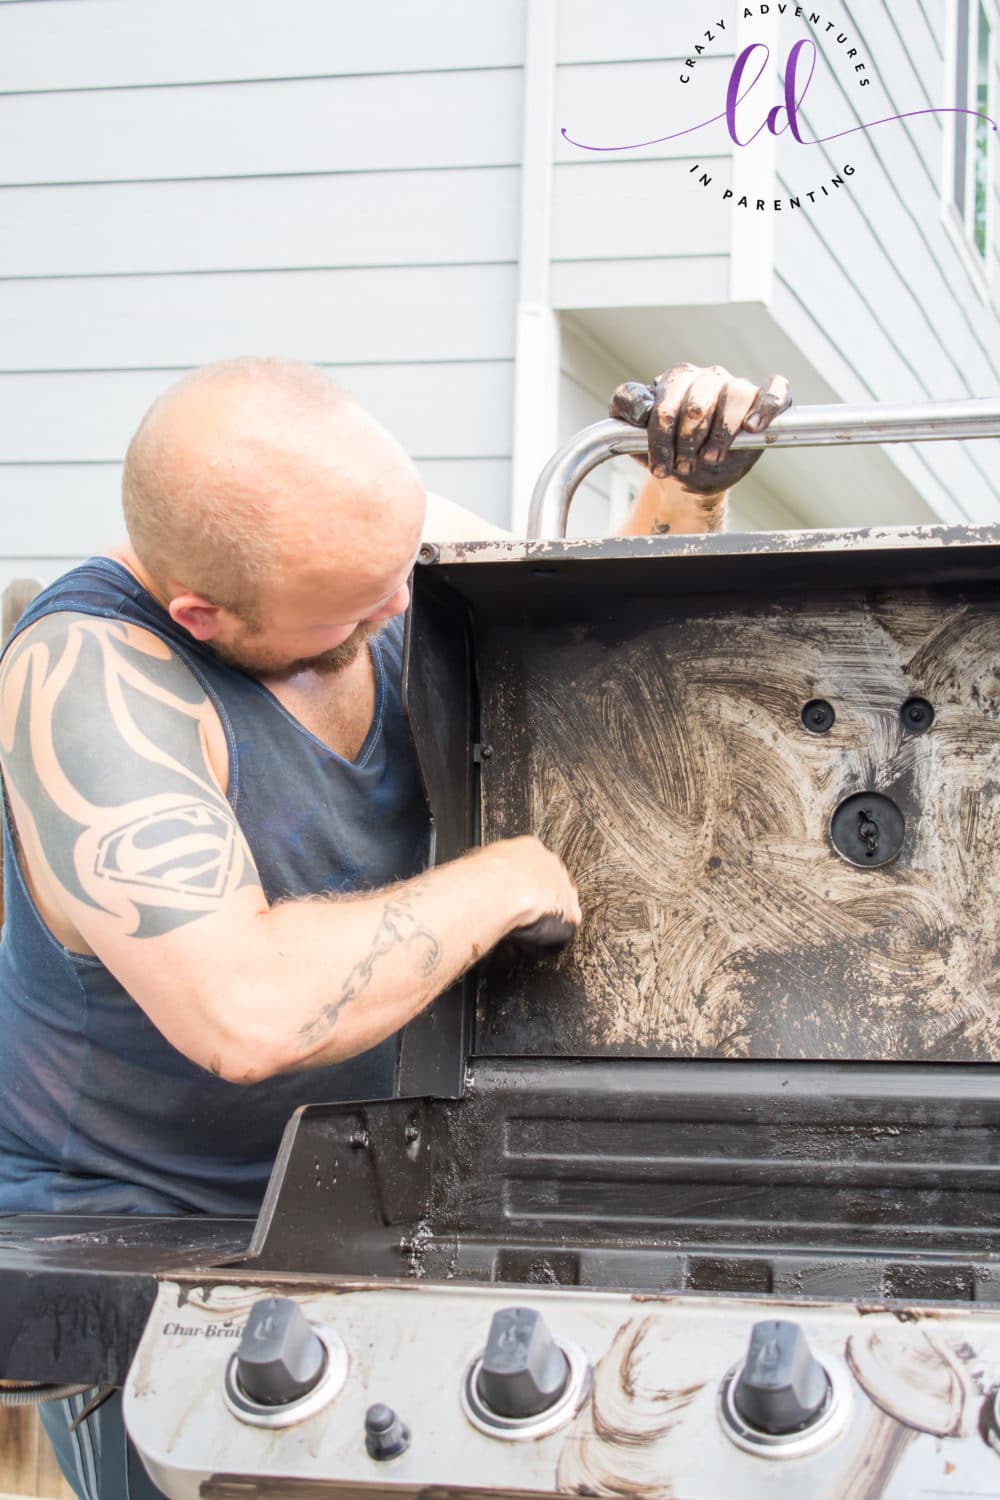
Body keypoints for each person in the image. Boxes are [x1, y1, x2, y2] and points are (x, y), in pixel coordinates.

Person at [0, 356, 790, 1498]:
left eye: (398, 566)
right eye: (356, 608)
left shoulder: (376, 556)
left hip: (365, 1183)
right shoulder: (91, 676)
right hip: (143, 1230)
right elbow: (246, 1011)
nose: (398, 607)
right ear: (201, 616)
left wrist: (687, 487)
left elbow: (592, 652)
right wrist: (502, 879)